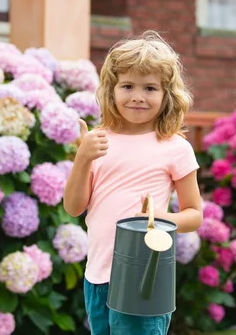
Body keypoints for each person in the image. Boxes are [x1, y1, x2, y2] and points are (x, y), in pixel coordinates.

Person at [63, 30, 203, 335]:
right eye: (127, 86)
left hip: (144, 278)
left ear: (167, 95)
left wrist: (157, 219)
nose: (138, 96)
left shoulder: (174, 148)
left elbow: (194, 214)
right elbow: (74, 208)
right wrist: (83, 157)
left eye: (150, 87)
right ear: (111, 90)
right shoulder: (98, 142)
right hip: (98, 277)